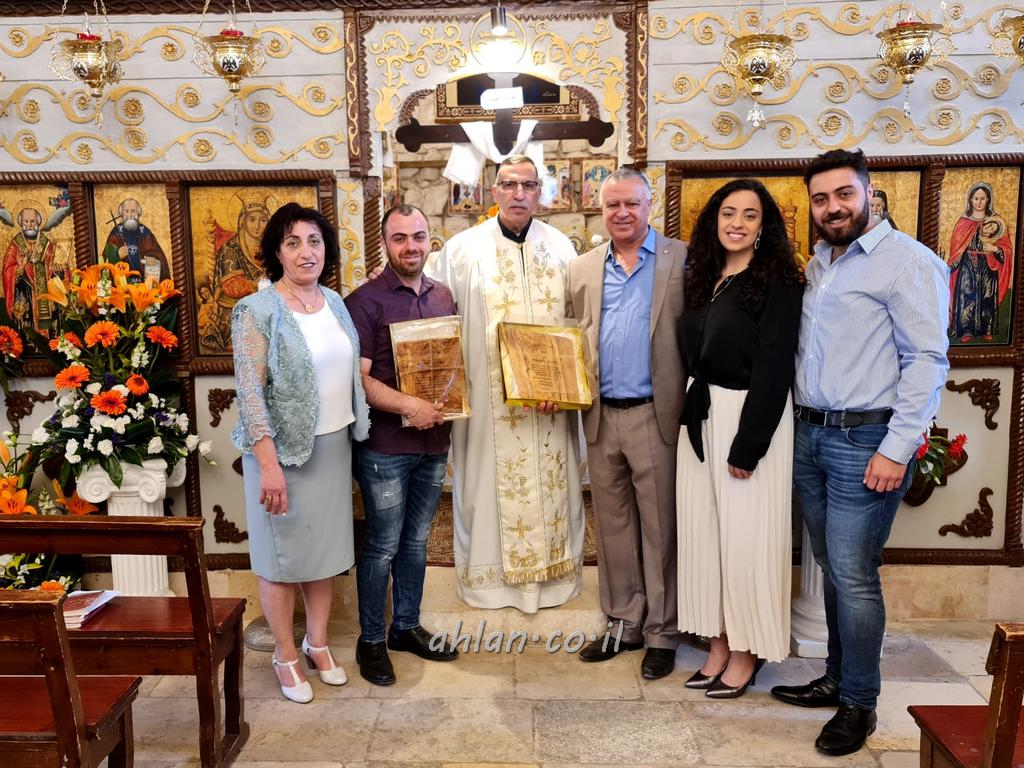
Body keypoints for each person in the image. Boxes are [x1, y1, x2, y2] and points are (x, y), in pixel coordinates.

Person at [770, 149, 949, 755]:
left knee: (854, 575)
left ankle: (859, 704)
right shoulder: (820, 263)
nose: (832, 208)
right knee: (831, 567)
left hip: (866, 440)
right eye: (820, 199)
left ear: (870, 194)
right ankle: (836, 679)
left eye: (844, 194)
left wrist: (897, 449)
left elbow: (926, 361)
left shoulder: (908, 263)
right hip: (812, 435)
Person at [429, 154, 584, 612]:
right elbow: (437, 322)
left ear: (540, 192)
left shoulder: (561, 248)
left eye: (528, 185)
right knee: (485, 489)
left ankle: (552, 578)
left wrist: (563, 387)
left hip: (550, 410)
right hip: (487, 406)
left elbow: (576, 323)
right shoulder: (462, 250)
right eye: (510, 184)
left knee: (553, 488)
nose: (519, 193)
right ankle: (489, 582)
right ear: (493, 192)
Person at [231, 202, 370, 704]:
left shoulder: (333, 301)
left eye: (314, 241)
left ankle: (318, 643)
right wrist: (268, 467)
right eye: (293, 243)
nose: (306, 252)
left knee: (324, 556)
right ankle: (286, 656)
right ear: (276, 252)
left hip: (332, 449)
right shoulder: (256, 310)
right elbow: (250, 395)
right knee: (281, 560)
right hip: (282, 456)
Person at [676, 178, 805, 698]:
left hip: (748, 416)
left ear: (764, 225)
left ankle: (748, 650)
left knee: (747, 539)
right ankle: (718, 642)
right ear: (714, 219)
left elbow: (776, 367)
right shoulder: (704, 277)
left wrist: (749, 443)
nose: (737, 223)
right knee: (705, 536)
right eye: (728, 212)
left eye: (750, 215)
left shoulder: (779, 281)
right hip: (701, 413)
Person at [566, 168, 686, 680]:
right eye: (612, 205)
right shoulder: (582, 268)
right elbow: (569, 336)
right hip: (600, 416)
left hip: (655, 415)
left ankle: (662, 632)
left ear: (649, 204)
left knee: (660, 528)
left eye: (631, 204)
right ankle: (623, 624)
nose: (621, 213)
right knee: (613, 528)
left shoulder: (681, 259)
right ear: (601, 209)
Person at [344, 204, 459, 686]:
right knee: (383, 545)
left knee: (416, 541)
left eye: (418, 236)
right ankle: (371, 639)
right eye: (400, 238)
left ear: (430, 240)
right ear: (384, 244)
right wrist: (411, 406)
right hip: (386, 448)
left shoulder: (443, 295)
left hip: (434, 442)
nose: (410, 246)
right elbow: (358, 380)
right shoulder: (364, 301)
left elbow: (450, 364)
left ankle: (405, 627)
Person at [947, 181, 1013, 342]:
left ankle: (986, 329)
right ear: (970, 200)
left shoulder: (997, 222)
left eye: (983, 198)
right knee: (967, 296)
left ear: (988, 200)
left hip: (988, 266)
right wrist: (953, 263)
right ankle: (965, 331)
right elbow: (957, 248)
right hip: (967, 265)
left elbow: (1007, 249)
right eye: (976, 198)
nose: (979, 202)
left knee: (987, 297)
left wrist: (995, 248)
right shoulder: (963, 223)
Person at [210, 196, 272, 352]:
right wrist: (258, 284)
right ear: (243, 221)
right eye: (252, 220)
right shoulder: (230, 249)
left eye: (263, 220)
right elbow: (230, 286)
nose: (257, 226)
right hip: (238, 312)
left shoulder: (274, 247)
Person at [2, 205, 65, 336]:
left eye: (32, 221)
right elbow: (7, 270)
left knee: (51, 333)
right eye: (26, 221)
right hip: (25, 296)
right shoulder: (15, 245)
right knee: (27, 335)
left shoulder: (46, 244)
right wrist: (20, 268)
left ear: (38, 222)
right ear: (21, 223)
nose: (30, 225)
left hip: (46, 297)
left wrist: (58, 271)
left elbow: (56, 267)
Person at [101, 197, 170, 283]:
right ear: (121, 214)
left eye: (133, 211)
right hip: (122, 283)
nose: (130, 215)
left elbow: (159, 256)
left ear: (138, 213)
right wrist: (117, 256)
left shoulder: (145, 232)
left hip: (144, 283)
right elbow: (104, 262)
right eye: (127, 211)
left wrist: (152, 259)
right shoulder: (115, 233)